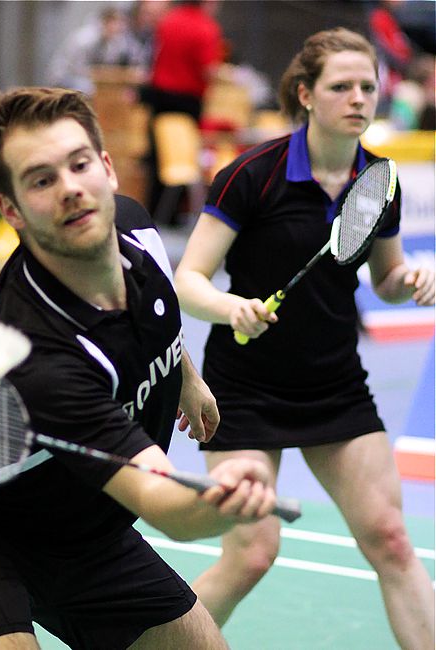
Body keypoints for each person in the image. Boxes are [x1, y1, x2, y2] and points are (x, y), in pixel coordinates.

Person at [0, 86, 278, 650]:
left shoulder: (137, 230)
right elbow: (166, 505)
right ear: (11, 210)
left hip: (82, 532)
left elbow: (155, 314)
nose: (71, 188)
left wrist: (187, 378)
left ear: (108, 168)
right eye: (42, 179)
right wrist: (224, 500)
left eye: (78, 164)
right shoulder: (35, 357)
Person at [174, 27, 435, 650]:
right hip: (246, 388)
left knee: (393, 540)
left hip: (334, 383)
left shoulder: (380, 180)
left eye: (367, 86)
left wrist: (411, 280)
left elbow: (386, 277)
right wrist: (231, 307)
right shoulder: (253, 176)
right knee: (253, 551)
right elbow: (188, 278)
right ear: (305, 94)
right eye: (340, 86)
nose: (358, 98)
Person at [140, 0, 225, 225]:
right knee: (185, 158)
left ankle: (155, 212)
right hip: (187, 100)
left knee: (159, 158)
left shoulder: (168, 20)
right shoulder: (206, 27)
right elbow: (208, 69)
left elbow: (154, 58)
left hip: (159, 96)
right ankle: (174, 216)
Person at [48, 8, 146, 96]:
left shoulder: (114, 40)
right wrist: (103, 74)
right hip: (65, 77)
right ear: (105, 22)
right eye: (116, 24)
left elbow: (132, 58)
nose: (119, 28)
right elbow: (77, 69)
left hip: (89, 78)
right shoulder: (84, 39)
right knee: (89, 89)